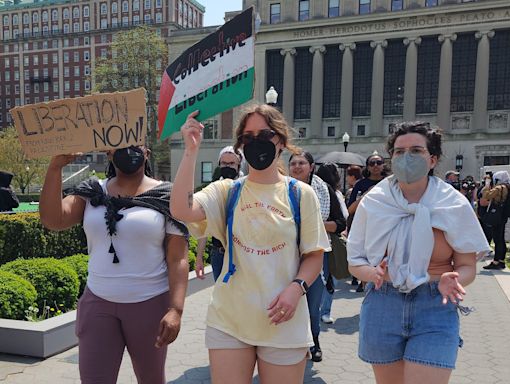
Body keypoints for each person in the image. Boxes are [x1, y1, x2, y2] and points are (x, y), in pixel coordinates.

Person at [171, 105, 330, 383]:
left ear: (280, 140)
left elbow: (314, 254)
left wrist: (297, 288)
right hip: (230, 320)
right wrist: (190, 151)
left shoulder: (300, 194)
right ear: (241, 145)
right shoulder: (227, 190)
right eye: (248, 137)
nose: (256, 142)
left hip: (284, 320)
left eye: (265, 134)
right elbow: (182, 210)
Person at [347, 121, 490, 384]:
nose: (406, 157)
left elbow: (467, 265)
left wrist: (455, 279)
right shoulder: (375, 201)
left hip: (435, 304)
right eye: (399, 152)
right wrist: (372, 272)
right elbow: (354, 262)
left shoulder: (452, 203)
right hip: (383, 303)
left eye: (416, 150)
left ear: (432, 159)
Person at [39, 146, 190, 384]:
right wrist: (56, 167)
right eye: (120, 144)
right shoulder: (91, 192)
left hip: (149, 304)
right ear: (109, 153)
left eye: (135, 144)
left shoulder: (167, 195)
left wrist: (176, 309)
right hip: (98, 303)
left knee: (151, 379)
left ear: (147, 152)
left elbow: (178, 258)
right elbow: (53, 219)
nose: (128, 150)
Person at [288, 152, 340, 362]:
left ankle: (314, 342)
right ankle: (289, 344)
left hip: (316, 255)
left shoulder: (324, 190)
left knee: (312, 304)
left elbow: (340, 223)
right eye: (293, 163)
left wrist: (312, 223)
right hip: (287, 255)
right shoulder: (281, 189)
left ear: (311, 166)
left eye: (302, 163)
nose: (297, 166)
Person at [195, 146, 243, 281]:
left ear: (239, 165)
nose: (227, 166)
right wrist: (199, 257)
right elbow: (205, 225)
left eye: (232, 163)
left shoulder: (247, 188)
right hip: (219, 253)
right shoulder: (213, 190)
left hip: (242, 254)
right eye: (224, 163)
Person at [347, 154, 387, 291]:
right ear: (367, 167)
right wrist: (366, 195)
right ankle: (367, 290)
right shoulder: (361, 184)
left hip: (387, 228)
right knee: (367, 263)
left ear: (383, 165)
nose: (375, 166)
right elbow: (350, 209)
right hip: (367, 229)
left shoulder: (391, 182)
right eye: (372, 163)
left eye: (379, 162)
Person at [315, 163, 348, 325]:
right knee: (327, 279)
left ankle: (321, 311)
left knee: (325, 278)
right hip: (327, 242)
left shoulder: (329, 193)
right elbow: (345, 217)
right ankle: (324, 311)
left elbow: (341, 221)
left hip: (326, 242)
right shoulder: (335, 193)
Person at [481, 170, 510, 270]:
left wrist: (487, 184)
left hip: (497, 215)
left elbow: (486, 195)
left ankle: (496, 261)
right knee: (500, 238)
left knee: (498, 239)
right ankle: (500, 260)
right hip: (503, 215)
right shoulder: (508, 186)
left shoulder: (500, 188)